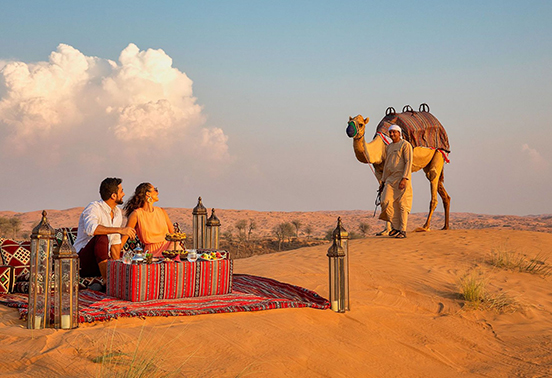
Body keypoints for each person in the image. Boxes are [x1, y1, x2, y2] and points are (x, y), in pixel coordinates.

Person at [74, 178, 137, 280]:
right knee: (102, 237)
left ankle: (112, 280)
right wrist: (120, 230)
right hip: (81, 261)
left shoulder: (117, 212)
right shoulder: (94, 208)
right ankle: (107, 282)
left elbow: (115, 244)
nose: (124, 194)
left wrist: (117, 267)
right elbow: (92, 229)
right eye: (121, 191)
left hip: (101, 262)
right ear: (113, 195)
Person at [122, 183, 177, 257]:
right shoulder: (136, 214)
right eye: (155, 190)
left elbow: (174, 235)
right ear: (148, 194)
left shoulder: (161, 211)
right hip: (151, 255)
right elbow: (125, 237)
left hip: (169, 252)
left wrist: (171, 250)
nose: (157, 193)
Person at [379, 125, 413, 238]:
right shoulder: (389, 147)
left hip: (402, 178)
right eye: (390, 132)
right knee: (385, 201)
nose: (392, 134)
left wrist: (405, 178)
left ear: (399, 133)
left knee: (402, 205)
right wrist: (382, 182)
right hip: (389, 179)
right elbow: (387, 165)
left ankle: (402, 230)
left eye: (394, 132)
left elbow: (408, 162)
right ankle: (396, 227)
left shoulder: (405, 145)